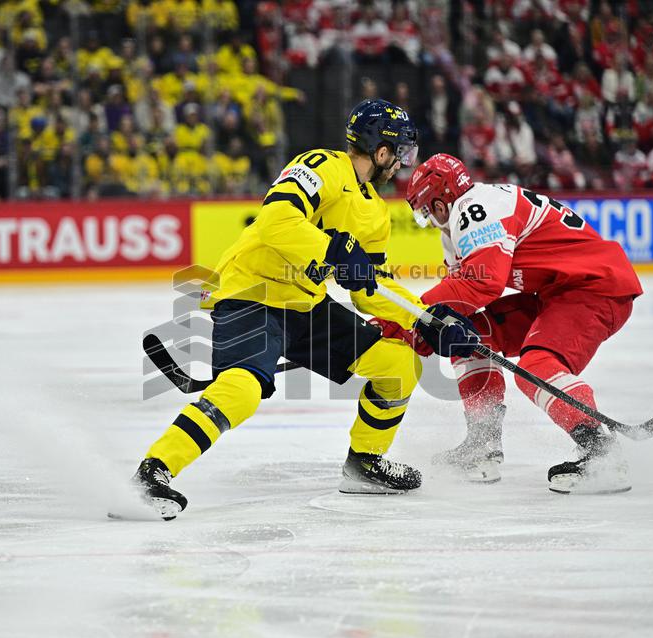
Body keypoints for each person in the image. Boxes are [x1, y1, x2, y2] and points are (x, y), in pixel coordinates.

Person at [130, 100, 469, 520]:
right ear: (380, 151)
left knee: (398, 365)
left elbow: (369, 290)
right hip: (252, 291)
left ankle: (364, 464)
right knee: (241, 389)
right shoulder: (322, 165)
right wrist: (334, 249)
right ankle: (153, 472)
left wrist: (425, 319)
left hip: (305, 305)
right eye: (399, 152)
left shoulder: (377, 215)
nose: (401, 163)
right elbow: (274, 220)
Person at [399, 153, 643, 494]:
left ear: (440, 202)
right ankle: (483, 445)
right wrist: (425, 329)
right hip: (558, 291)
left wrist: (411, 317)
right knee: (468, 336)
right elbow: (457, 306)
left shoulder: (474, 207)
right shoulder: (466, 218)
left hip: (593, 287)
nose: (430, 219)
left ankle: (601, 452)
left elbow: (482, 284)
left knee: (538, 365)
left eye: (427, 211)